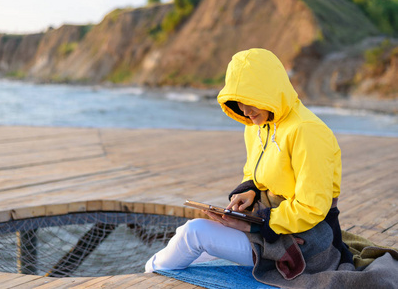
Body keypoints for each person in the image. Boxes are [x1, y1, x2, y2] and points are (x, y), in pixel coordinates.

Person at [145, 48, 353, 279]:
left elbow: (312, 207)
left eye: (249, 101)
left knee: (193, 233)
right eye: (237, 101)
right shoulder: (257, 126)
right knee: (192, 234)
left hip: (305, 239)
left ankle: (145, 276)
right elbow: (253, 171)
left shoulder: (308, 131)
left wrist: (255, 225)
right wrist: (250, 192)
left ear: (269, 91)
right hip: (266, 221)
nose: (244, 110)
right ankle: (152, 272)